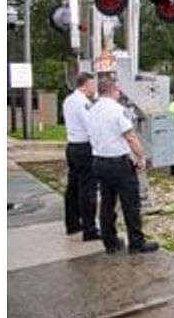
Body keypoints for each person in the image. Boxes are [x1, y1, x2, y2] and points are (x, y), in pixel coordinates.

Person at [88, 77, 158, 254]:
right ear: (113, 90)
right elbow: (131, 137)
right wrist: (141, 157)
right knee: (130, 204)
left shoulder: (92, 110)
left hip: (99, 161)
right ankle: (136, 242)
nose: (120, 94)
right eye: (118, 91)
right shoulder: (118, 110)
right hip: (119, 163)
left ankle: (110, 242)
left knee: (107, 203)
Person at [62, 72, 100, 241]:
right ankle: (89, 228)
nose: (94, 88)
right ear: (85, 85)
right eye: (92, 85)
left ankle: (72, 223)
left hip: (72, 146)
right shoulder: (83, 103)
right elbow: (91, 126)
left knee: (73, 187)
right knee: (87, 189)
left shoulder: (69, 100)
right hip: (84, 148)